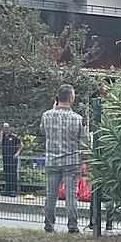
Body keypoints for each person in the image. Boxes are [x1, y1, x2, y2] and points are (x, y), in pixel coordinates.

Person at [41, 84, 87, 233]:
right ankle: (72, 226)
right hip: (71, 161)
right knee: (71, 196)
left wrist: (53, 109)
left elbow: (43, 130)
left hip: (52, 161)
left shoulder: (46, 115)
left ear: (57, 98)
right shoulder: (77, 119)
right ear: (71, 97)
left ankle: (49, 225)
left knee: (51, 195)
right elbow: (85, 141)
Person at [0, 123, 23, 196]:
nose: (6, 129)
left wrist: (17, 153)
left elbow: (21, 145)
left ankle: (13, 190)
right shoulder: (3, 137)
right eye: (4, 128)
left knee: (12, 173)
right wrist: (1, 137)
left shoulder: (14, 136)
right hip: (5, 157)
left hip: (12, 158)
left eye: (7, 127)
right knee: (6, 173)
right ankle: (7, 190)